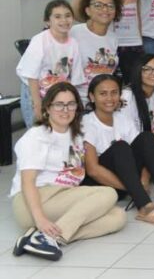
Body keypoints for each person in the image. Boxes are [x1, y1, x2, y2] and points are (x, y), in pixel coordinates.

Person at [9, 82, 125, 261]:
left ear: (77, 108)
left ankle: (37, 238)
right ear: (48, 107)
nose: (65, 109)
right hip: (33, 200)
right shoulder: (37, 136)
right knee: (108, 193)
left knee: (117, 217)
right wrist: (39, 218)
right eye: (59, 104)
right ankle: (46, 236)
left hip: (63, 197)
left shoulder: (76, 135)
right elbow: (27, 182)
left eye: (71, 104)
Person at [82, 74, 154, 224]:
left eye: (114, 93)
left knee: (147, 138)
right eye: (103, 94)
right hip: (103, 183)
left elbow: (144, 152)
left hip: (127, 177)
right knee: (120, 147)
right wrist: (135, 189)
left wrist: (143, 180)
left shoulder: (122, 118)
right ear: (92, 97)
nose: (109, 98)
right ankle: (144, 206)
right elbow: (93, 170)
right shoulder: (87, 123)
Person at [17, 0, 83, 128]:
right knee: (39, 130)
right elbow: (32, 75)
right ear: (48, 22)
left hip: (58, 93)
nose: (64, 20)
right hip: (34, 90)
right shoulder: (40, 40)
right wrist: (37, 105)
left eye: (67, 15)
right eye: (57, 16)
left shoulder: (74, 43)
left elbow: (75, 78)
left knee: (60, 129)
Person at [71, 0, 122, 104]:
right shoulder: (74, 33)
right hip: (76, 101)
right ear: (88, 10)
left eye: (110, 6)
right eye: (98, 5)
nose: (105, 9)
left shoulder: (113, 38)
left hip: (102, 102)